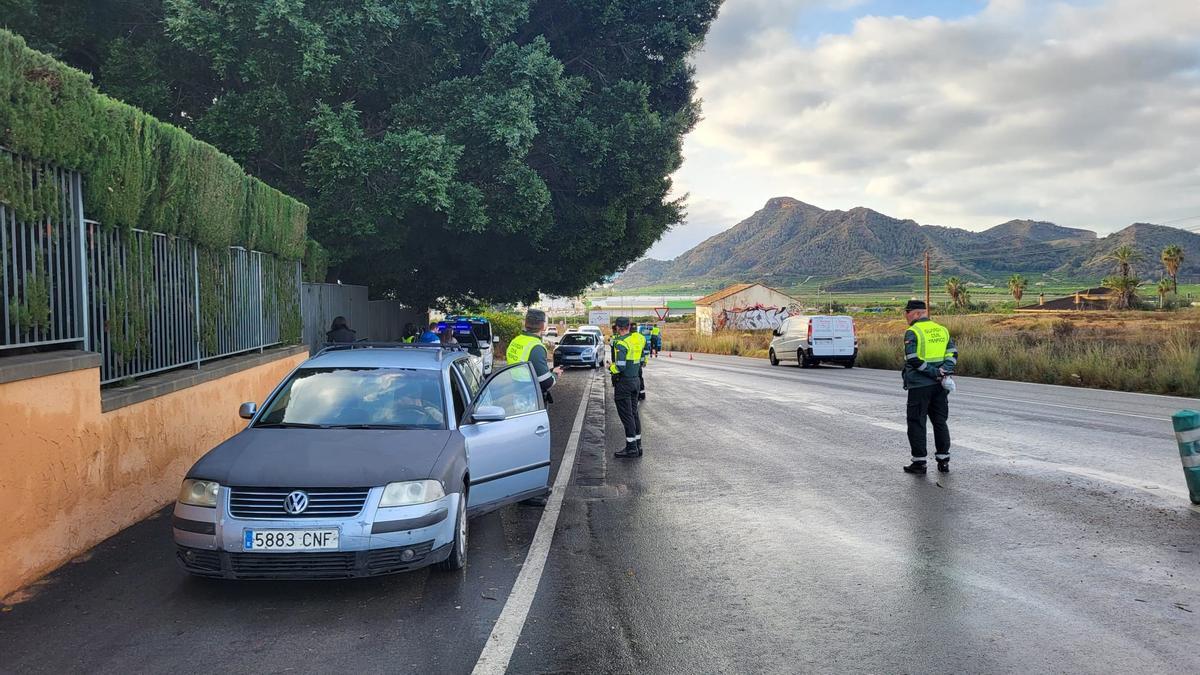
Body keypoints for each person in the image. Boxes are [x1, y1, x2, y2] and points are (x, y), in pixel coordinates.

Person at [901, 300, 958, 474]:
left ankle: (919, 463)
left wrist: (933, 372)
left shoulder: (913, 331)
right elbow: (952, 353)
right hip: (940, 385)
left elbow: (913, 358)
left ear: (916, 313)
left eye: (907, 313)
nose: (906, 317)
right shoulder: (942, 330)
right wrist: (944, 371)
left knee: (917, 422)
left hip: (920, 385)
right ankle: (943, 460)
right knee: (940, 421)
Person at [506, 309, 563, 403]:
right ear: (543, 326)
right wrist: (555, 374)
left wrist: (548, 371)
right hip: (530, 397)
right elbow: (546, 382)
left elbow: (525, 367)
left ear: (525, 323)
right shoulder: (536, 347)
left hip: (516, 392)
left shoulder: (516, 340)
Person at [611, 317, 646, 458]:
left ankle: (631, 448)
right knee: (633, 413)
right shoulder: (639, 339)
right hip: (636, 381)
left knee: (626, 416)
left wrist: (610, 367)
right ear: (630, 326)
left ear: (618, 328)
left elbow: (620, 366)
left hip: (624, 382)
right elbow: (643, 360)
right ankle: (638, 445)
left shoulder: (622, 343)